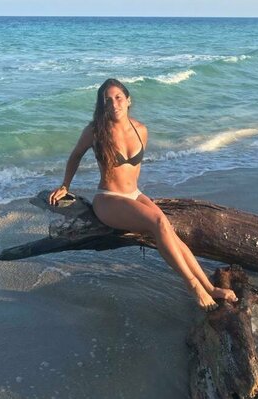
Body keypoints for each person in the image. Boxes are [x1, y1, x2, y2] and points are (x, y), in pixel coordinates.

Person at [49, 78, 238, 312]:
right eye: (107, 100)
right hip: (108, 199)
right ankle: (193, 286)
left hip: (134, 194)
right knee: (158, 221)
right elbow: (76, 155)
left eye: (118, 98)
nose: (114, 104)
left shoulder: (141, 130)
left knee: (170, 233)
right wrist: (65, 185)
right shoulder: (95, 131)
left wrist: (136, 201)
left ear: (128, 100)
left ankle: (210, 287)